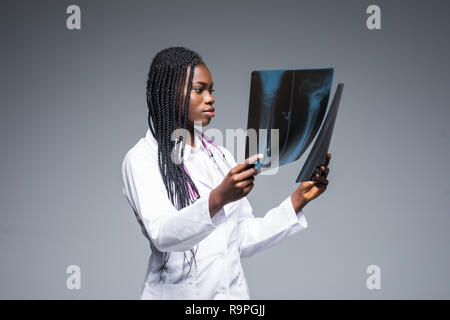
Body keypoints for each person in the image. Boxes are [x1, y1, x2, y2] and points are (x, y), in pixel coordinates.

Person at [121, 47, 331, 299]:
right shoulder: (142, 157)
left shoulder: (219, 155)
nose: (210, 98)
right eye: (199, 90)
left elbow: (241, 238)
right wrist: (218, 198)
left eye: (211, 90)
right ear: (169, 92)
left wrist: (298, 200)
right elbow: (162, 235)